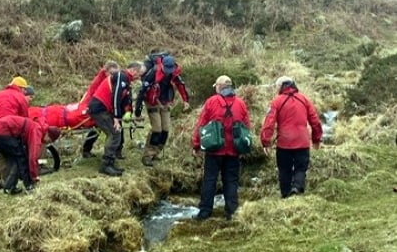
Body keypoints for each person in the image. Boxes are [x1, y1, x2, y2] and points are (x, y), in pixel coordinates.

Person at [192, 76, 250, 220]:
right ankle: (232, 211)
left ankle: (205, 212)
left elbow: (202, 125)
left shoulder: (211, 101)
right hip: (233, 150)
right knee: (231, 180)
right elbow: (246, 127)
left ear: (219, 87)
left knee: (210, 180)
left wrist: (196, 144)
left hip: (214, 149)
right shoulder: (241, 103)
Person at [260, 76, 323, 198]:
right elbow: (315, 121)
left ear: (281, 86)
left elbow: (269, 123)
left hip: (284, 143)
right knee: (301, 168)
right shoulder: (304, 99)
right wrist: (316, 139)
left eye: (277, 87)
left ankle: (285, 195)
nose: (276, 89)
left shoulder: (277, 101)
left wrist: (265, 142)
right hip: (302, 141)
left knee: (284, 170)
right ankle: (297, 187)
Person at [87, 62, 145, 176]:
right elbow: (116, 97)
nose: (139, 77)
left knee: (116, 133)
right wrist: (116, 118)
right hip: (99, 108)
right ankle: (106, 164)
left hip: (103, 109)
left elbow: (125, 100)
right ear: (133, 70)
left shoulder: (126, 80)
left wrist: (130, 114)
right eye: (139, 74)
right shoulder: (121, 76)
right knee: (115, 134)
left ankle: (110, 162)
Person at [135, 52, 190, 166]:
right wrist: (138, 111)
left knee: (165, 130)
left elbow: (181, 86)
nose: (168, 72)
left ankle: (157, 153)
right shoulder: (153, 73)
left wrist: (185, 101)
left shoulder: (174, 73)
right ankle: (148, 155)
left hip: (165, 101)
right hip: (152, 101)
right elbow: (142, 92)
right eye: (166, 69)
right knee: (157, 129)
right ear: (162, 65)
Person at [0, 115, 61, 194]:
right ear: (48, 134)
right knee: (21, 158)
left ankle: (9, 187)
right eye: (49, 140)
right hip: (3, 131)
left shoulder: (36, 126)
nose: (47, 143)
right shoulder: (37, 131)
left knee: (13, 160)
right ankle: (29, 186)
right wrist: (34, 176)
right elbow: (32, 157)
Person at [80, 61, 121, 159]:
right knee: (97, 127)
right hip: (92, 105)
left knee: (98, 128)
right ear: (106, 72)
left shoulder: (107, 78)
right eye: (111, 73)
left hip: (98, 106)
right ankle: (87, 149)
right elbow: (92, 94)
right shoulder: (101, 80)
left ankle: (87, 149)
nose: (113, 76)